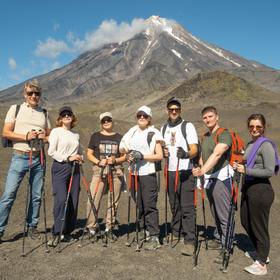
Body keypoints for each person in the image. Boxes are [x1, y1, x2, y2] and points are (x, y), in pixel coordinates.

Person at [0, 79, 51, 242]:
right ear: (25, 94)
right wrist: (26, 136)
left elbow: (50, 135)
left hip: (38, 158)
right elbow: (6, 132)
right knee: (9, 195)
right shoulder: (15, 109)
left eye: (37, 93)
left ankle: (32, 227)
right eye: (30, 93)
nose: (34, 96)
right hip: (19, 157)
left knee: (36, 195)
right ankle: (0, 229)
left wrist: (44, 137)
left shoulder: (44, 113)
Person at [235, 114, 278, 276]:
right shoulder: (250, 144)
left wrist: (246, 170)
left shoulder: (265, 145)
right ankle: (261, 252)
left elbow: (269, 170)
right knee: (246, 221)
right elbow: (246, 160)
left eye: (258, 127)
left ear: (263, 127)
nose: (254, 129)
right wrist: (240, 163)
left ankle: (261, 263)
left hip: (261, 190)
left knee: (259, 227)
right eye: (251, 126)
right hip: (249, 188)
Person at [192, 106, 233, 262]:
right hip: (209, 179)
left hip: (221, 178)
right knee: (215, 211)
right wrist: (200, 169)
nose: (208, 119)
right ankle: (219, 238)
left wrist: (202, 171)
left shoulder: (224, 134)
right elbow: (204, 156)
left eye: (210, 116)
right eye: (205, 117)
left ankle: (226, 246)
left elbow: (217, 154)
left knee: (224, 213)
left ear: (217, 117)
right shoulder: (206, 136)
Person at [120, 105, 163, 250]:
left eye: (145, 116)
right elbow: (122, 146)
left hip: (148, 173)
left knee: (149, 204)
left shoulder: (154, 133)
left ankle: (154, 236)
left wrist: (142, 156)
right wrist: (128, 154)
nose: (142, 118)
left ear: (149, 118)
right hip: (134, 172)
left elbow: (159, 156)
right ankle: (144, 229)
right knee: (139, 202)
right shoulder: (132, 131)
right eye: (139, 116)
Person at [161, 97, 198, 256]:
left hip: (185, 171)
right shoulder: (163, 128)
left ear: (180, 110)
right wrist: (164, 153)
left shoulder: (187, 126)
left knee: (187, 206)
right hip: (170, 171)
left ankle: (190, 239)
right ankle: (176, 231)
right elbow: (163, 149)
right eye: (171, 109)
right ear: (167, 111)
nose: (174, 111)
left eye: (176, 109)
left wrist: (187, 154)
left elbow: (194, 149)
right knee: (174, 204)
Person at [87, 112, 125, 240]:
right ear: (101, 123)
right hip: (99, 171)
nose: (106, 122)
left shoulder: (120, 137)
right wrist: (98, 162)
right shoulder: (95, 136)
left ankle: (109, 227)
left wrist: (115, 160)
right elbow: (89, 154)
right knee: (93, 198)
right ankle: (91, 228)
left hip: (116, 172)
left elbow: (125, 155)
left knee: (113, 200)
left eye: (108, 120)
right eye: (104, 121)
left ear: (112, 121)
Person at [47, 106, 82, 246]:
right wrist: (67, 158)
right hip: (60, 167)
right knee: (61, 199)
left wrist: (80, 157)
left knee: (73, 199)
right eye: (64, 114)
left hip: (75, 169)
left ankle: (67, 232)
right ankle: (57, 232)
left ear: (73, 117)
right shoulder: (56, 131)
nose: (67, 116)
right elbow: (51, 151)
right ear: (60, 118)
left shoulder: (76, 135)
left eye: (69, 114)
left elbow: (79, 150)